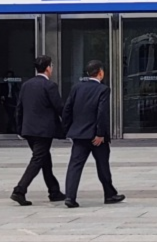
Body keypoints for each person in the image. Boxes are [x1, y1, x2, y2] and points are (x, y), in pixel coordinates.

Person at [62, 60, 125, 208]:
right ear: (101, 72)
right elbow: (102, 113)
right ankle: (109, 194)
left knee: (75, 166)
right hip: (96, 136)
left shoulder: (77, 87)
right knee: (102, 165)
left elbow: (67, 110)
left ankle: (70, 196)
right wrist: (100, 133)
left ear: (88, 73)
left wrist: (69, 130)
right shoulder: (103, 89)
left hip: (79, 134)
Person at [10, 55, 67, 206]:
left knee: (44, 160)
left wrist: (20, 128)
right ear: (48, 68)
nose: (52, 69)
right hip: (43, 131)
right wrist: (69, 123)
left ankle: (54, 191)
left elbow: (19, 108)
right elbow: (59, 107)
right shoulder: (50, 86)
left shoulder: (26, 85)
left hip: (28, 130)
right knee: (38, 159)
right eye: (51, 66)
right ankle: (20, 190)